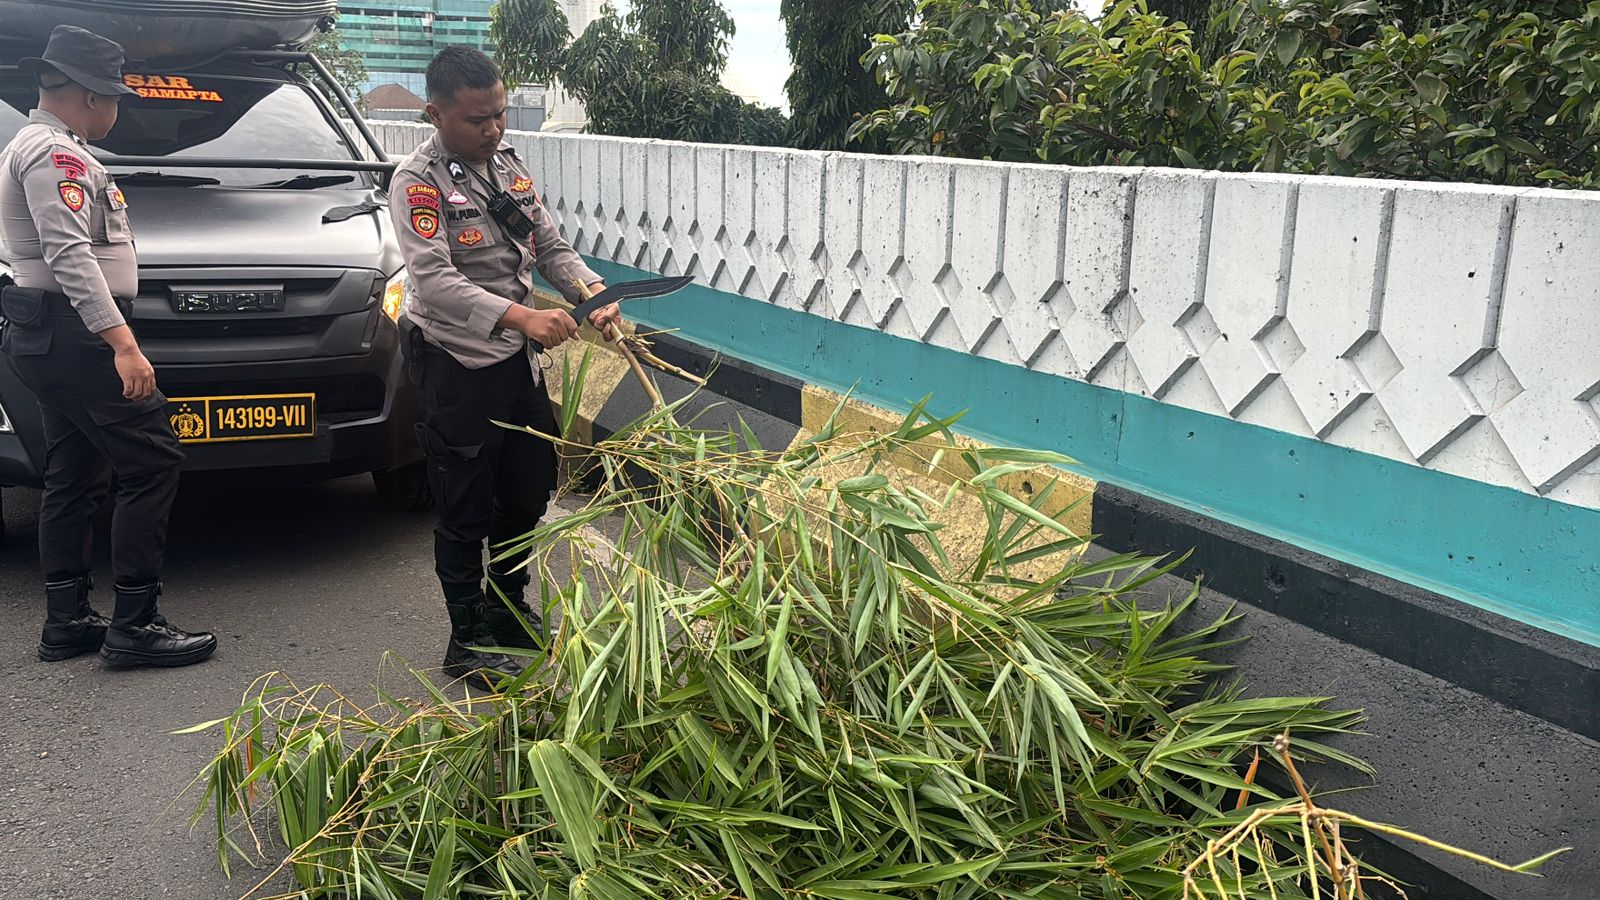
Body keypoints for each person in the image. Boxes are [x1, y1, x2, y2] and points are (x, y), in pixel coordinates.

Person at [389, 46, 620, 687]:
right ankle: (465, 638)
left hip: (516, 363)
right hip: (456, 361)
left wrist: (590, 294)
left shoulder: (508, 166)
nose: (492, 130)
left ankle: (506, 608)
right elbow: (431, 282)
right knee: (464, 501)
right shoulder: (418, 182)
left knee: (527, 486)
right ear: (436, 114)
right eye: (475, 119)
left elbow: (549, 243)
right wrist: (524, 319)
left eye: (498, 115)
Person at [0, 25, 216, 668]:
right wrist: (122, 343)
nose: (119, 108)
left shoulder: (46, 146)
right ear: (92, 96)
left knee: (72, 472)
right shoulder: (56, 155)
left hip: (54, 334)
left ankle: (68, 620)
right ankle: (135, 623)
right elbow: (69, 253)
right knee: (152, 460)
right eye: (116, 95)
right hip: (76, 333)